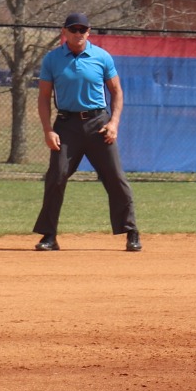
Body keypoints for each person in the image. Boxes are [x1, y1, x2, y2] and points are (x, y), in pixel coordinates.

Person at [34, 13, 140, 252]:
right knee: (56, 176)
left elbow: (116, 91)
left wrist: (113, 123)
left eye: (82, 29)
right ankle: (49, 235)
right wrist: (48, 130)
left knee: (115, 177)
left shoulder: (101, 57)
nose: (78, 33)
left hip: (98, 124)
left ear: (88, 32)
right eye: (73, 29)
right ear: (64, 32)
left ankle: (131, 231)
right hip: (66, 125)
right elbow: (43, 97)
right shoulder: (53, 59)